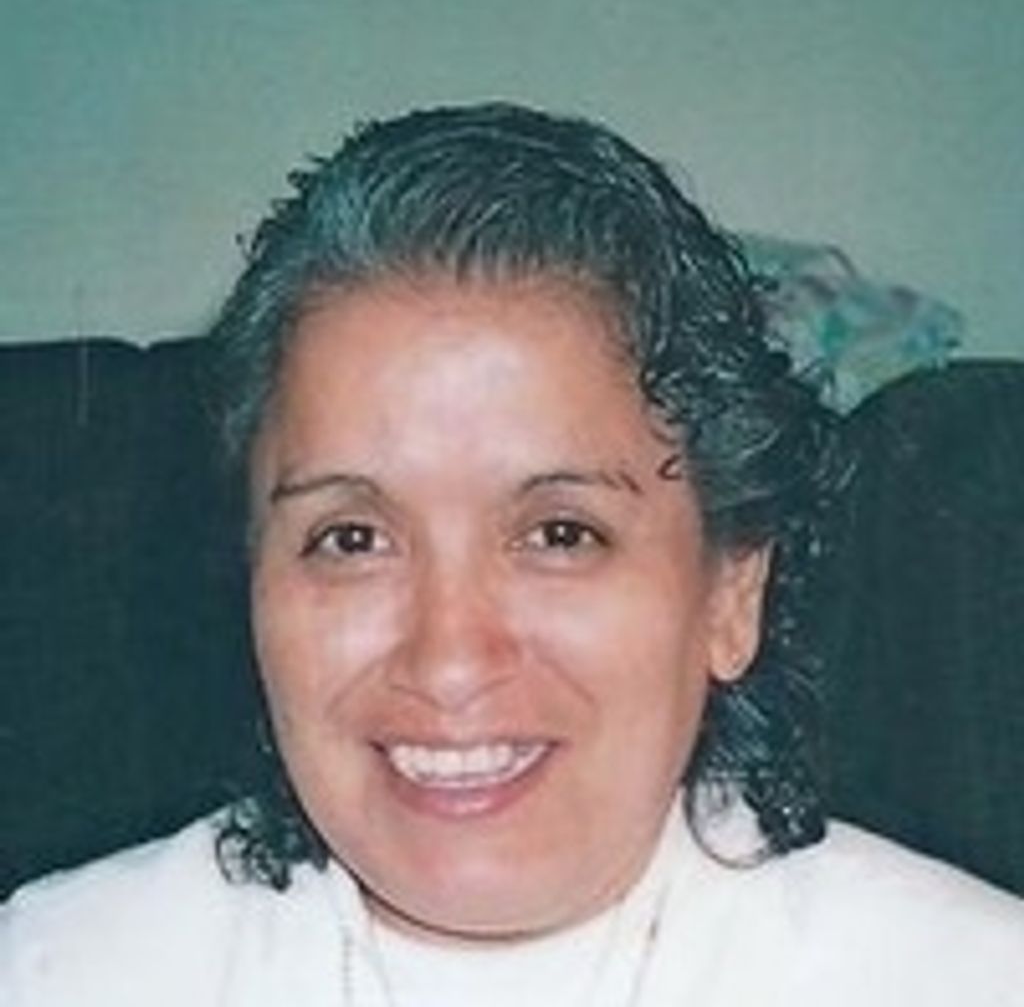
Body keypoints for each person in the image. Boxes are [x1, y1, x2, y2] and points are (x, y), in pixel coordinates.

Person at [1, 102, 1020, 1005]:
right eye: (350, 539)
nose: (449, 659)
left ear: (729, 591)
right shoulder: (54, 971)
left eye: (560, 534)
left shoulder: (966, 978)